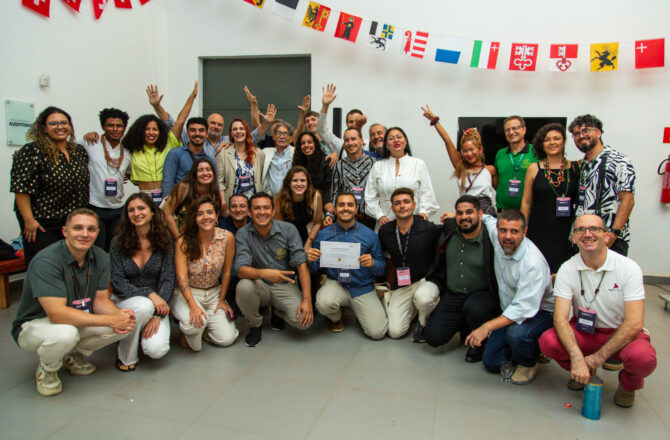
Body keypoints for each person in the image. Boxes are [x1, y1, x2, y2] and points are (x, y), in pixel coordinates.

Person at [11, 208, 136, 396]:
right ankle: (48, 368)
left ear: (97, 233)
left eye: (91, 229)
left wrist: (120, 316)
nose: (85, 234)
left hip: (74, 318)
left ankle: (71, 355)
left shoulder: (101, 257)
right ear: (65, 231)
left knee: (125, 326)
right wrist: (110, 320)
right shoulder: (47, 261)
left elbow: (100, 301)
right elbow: (57, 314)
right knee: (66, 333)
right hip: (34, 324)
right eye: (78, 228)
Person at [539, 214, 656, 408]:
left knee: (642, 358)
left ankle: (628, 385)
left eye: (594, 229)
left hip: (621, 333)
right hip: (585, 332)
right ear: (573, 238)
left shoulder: (628, 268)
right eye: (580, 230)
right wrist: (577, 357)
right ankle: (584, 371)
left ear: (607, 236)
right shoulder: (567, 269)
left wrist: (598, 358)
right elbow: (560, 318)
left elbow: (634, 323)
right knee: (548, 342)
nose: (587, 234)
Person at [467, 210, 554, 385]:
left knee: (516, 334)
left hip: (540, 313)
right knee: (492, 362)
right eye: (503, 230)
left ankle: (529, 361)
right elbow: (487, 219)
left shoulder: (532, 263)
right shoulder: (498, 237)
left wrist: (486, 327)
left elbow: (523, 308)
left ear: (524, 232)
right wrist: (455, 215)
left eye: (514, 231)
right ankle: (532, 346)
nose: (507, 236)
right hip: (511, 310)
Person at [424, 196, 500, 362]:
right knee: (433, 338)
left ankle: (480, 344)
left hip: (481, 295)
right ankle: (464, 323)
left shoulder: (491, 239)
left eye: (469, 212)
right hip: (454, 295)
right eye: (460, 213)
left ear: (480, 214)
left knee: (474, 308)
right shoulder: (450, 230)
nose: (464, 217)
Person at [11, 106, 90, 266]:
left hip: (72, 221)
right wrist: (29, 220)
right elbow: (21, 189)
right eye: (53, 123)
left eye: (64, 123)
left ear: (70, 126)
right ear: (44, 128)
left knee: (71, 266)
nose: (60, 127)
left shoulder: (78, 151)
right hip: (42, 223)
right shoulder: (32, 151)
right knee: (45, 266)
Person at [234, 193, 313, 347]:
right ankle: (255, 325)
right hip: (259, 285)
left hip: (284, 285)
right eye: (257, 208)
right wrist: (265, 273)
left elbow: (301, 264)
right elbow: (240, 270)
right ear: (250, 212)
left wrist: (307, 300)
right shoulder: (243, 234)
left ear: (273, 211)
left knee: (304, 322)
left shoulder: (288, 229)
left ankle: (277, 312)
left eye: (266, 208)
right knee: (243, 286)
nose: (262, 212)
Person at [308, 193, 388, 339]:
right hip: (336, 283)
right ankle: (337, 317)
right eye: (341, 205)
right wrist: (311, 260)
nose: (346, 208)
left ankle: (362, 310)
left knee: (378, 333)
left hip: (362, 286)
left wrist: (373, 263)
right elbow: (314, 270)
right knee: (323, 303)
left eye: (350, 205)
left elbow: (382, 268)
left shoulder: (370, 235)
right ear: (335, 209)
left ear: (356, 209)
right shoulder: (323, 235)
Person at [110, 193, 174, 371]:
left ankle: (135, 331)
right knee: (143, 306)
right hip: (125, 301)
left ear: (152, 212)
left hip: (157, 305)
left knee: (156, 349)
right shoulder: (117, 243)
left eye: (141, 208)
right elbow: (117, 282)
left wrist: (158, 315)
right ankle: (126, 357)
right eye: (131, 210)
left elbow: (168, 279)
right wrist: (149, 294)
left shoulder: (165, 241)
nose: (136, 213)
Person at [172, 196, 238, 351]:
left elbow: (226, 272)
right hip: (189, 293)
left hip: (214, 292)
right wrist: (193, 306)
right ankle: (191, 330)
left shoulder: (227, 237)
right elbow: (181, 277)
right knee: (195, 334)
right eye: (200, 214)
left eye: (209, 212)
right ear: (194, 218)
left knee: (226, 339)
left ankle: (205, 328)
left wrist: (222, 299)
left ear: (216, 215)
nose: (205, 217)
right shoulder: (184, 241)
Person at [378, 188, 441, 341]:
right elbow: (384, 258)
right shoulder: (385, 231)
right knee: (395, 332)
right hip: (404, 282)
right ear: (392, 208)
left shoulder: (429, 228)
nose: (402, 206)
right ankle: (412, 308)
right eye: (397, 203)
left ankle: (424, 321)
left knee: (423, 299)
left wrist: (452, 217)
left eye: (406, 202)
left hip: (426, 279)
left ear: (414, 205)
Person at [569, 114, 635, 257]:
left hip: (609, 239)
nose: (581, 136)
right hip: (583, 238)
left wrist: (614, 233)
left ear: (599, 132)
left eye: (586, 130)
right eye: (576, 134)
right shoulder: (582, 165)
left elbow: (628, 200)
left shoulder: (619, 161)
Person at [123, 82, 198, 205]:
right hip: (144, 197)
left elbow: (180, 121)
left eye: (155, 129)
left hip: (166, 196)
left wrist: (192, 97)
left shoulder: (168, 144)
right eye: (147, 129)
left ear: (160, 131)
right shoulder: (132, 150)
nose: (151, 132)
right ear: (140, 131)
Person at [520, 123, 579, 274]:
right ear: (542, 143)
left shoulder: (575, 167)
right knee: (538, 271)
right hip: (538, 229)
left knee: (564, 272)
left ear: (564, 141)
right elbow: (526, 202)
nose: (552, 142)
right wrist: (523, 228)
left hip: (565, 231)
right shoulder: (534, 168)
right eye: (547, 139)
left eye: (556, 138)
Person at [422, 106, 497, 215]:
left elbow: (502, 194)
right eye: (465, 151)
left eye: (472, 149)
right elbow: (447, 140)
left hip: (486, 214)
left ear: (480, 149)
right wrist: (435, 121)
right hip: (465, 213)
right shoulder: (461, 167)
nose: (469, 154)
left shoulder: (490, 170)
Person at [365, 127, 439, 228]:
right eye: (391, 138)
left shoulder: (418, 164)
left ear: (406, 142)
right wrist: (379, 215)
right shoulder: (378, 166)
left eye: (399, 137)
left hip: (413, 222)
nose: (396, 140)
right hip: (385, 224)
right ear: (386, 144)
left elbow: (427, 194)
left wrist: (423, 212)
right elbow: (370, 197)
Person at [80, 108, 132, 252]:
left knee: (116, 249)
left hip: (118, 209)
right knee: (97, 250)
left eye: (119, 126)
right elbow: (66, 145)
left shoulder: (127, 151)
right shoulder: (90, 143)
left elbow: (131, 174)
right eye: (110, 125)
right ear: (103, 127)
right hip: (96, 207)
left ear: (124, 128)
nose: (115, 129)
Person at [327, 127, 377, 228]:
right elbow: (335, 193)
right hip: (346, 219)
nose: (350, 143)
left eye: (353, 139)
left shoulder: (374, 163)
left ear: (362, 141)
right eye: (346, 140)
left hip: (369, 219)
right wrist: (330, 215)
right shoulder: (339, 166)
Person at [162, 158, 223, 240]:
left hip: (201, 238)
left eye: (208, 169)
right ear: (195, 174)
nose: (205, 173)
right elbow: (167, 214)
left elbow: (214, 221)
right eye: (200, 170)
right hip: (177, 235)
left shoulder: (215, 195)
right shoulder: (183, 188)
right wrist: (179, 240)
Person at [216, 118, 265, 213]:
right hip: (232, 205)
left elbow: (261, 179)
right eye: (235, 129)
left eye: (241, 128)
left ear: (246, 132)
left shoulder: (259, 153)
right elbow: (219, 181)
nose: (238, 131)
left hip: (253, 205)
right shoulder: (223, 153)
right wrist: (223, 202)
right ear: (231, 134)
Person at [161, 117, 216, 198]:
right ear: (187, 134)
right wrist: (168, 203)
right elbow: (168, 183)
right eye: (193, 130)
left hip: (202, 203)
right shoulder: (175, 154)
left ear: (207, 134)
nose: (197, 133)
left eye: (201, 130)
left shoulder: (210, 161)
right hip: (180, 203)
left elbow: (214, 186)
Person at [274, 166, 324, 250]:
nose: (299, 184)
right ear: (289, 183)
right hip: (286, 240)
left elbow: (317, 223)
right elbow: (278, 228)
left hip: (309, 238)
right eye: (295, 180)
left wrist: (309, 243)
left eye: (302, 180)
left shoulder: (316, 196)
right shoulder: (279, 199)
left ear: (308, 183)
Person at [494, 115, 538, 211]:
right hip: (503, 211)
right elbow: (498, 180)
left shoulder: (535, 152)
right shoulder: (500, 154)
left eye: (514, 128)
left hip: (529, 211)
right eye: (507, 130)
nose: (511, 132)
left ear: (524, 129)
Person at [318, 83, 370, 155]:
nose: (354, 124)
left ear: (363, 122)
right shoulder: (340, 145)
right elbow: (322, 130)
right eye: (351, 121)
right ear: (346, 123)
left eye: (357, 121)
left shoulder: (369, 145)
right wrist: (325, 106)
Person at [292, 131, 333, 202]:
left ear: (315, 144)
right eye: (303, 143)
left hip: (322, 201)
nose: (306, 145)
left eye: (309, 142)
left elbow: (329, 187)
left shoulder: (326, 161)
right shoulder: (297, 163)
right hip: (301, 200)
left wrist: (326, 202)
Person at [261, 120, 295, 196]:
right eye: (278, 133)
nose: (281, 136)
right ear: (273, 137)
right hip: (271, 198)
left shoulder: (296, 153)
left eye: (285, 133)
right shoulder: (266, 152)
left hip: (291, 197)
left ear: (291, 138)